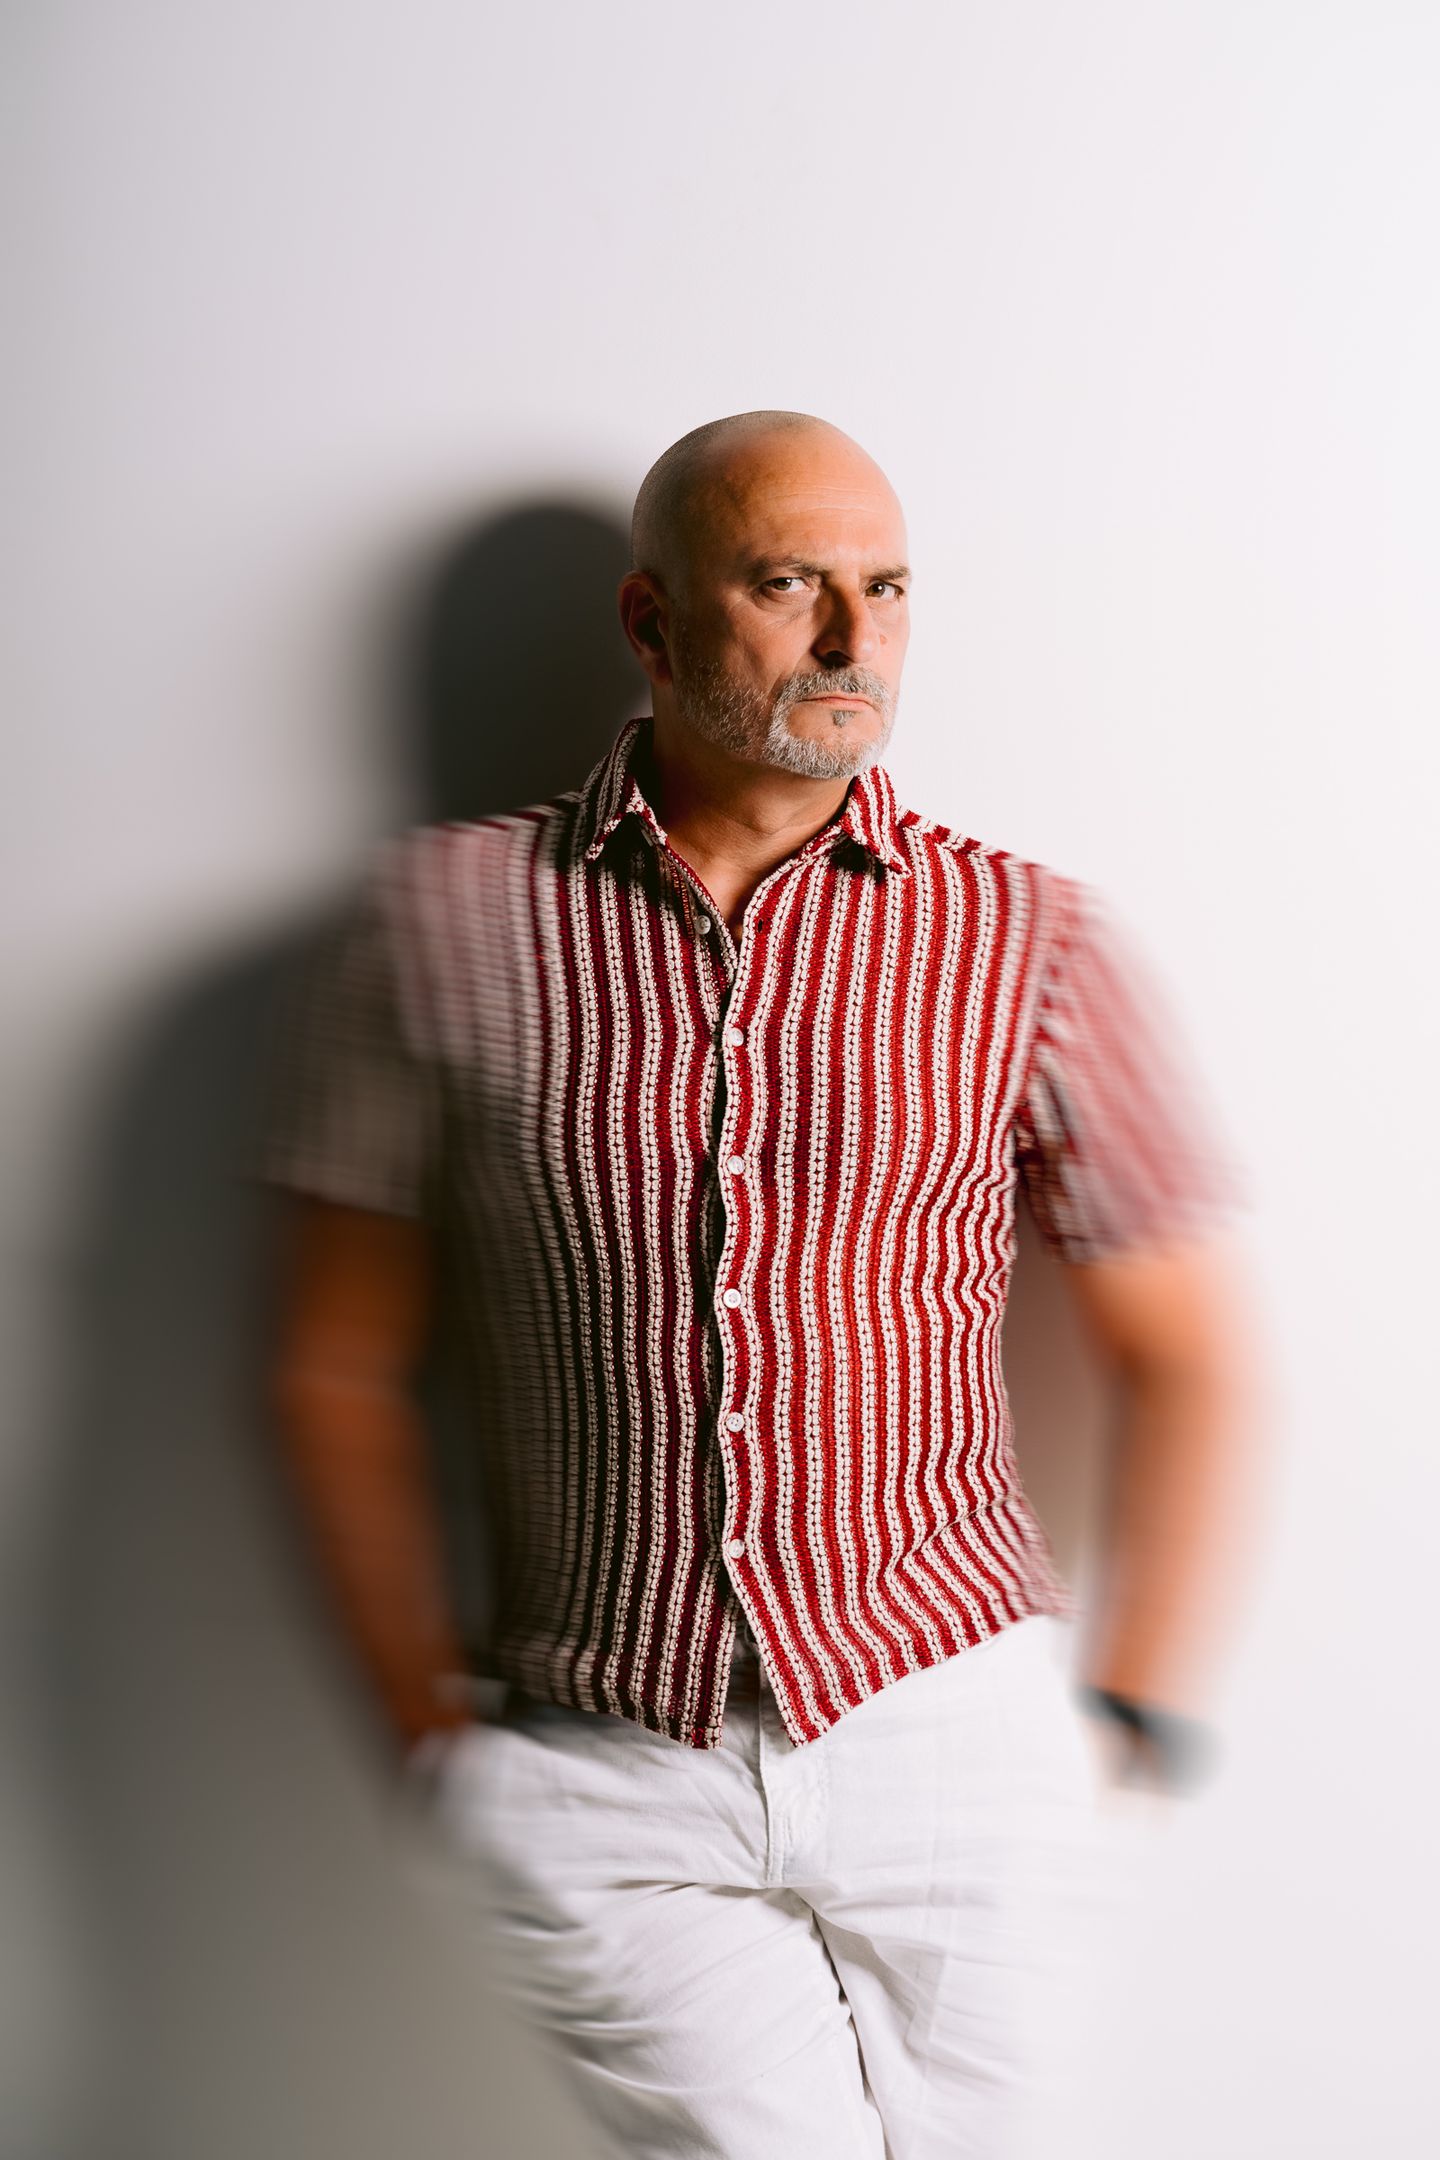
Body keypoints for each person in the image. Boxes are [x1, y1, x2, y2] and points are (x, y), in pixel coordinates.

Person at [258, 410, 1255, 2158]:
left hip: (952, 1730)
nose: (857, 638)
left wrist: (1133, 1711)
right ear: (651, 623)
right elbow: (334, 1361)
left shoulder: (1029, 938)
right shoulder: (441, 922)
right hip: (603, 1773)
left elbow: (1185, 1349)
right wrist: (435, 1743)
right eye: (791, 584)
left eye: (890, 588)